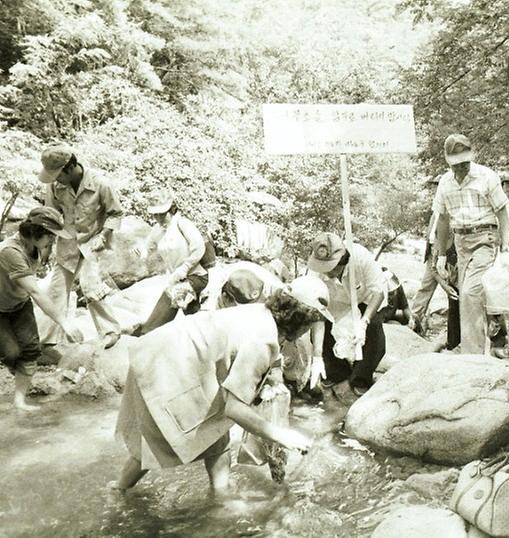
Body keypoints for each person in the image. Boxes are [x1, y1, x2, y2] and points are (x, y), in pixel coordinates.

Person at [111, 276, 331, 494]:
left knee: (216, 432)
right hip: (165, 367)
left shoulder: (264, 313)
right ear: (299, 318)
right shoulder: (263, 340)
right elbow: (234, 409)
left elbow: (265, 360)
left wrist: (274, 381)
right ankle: (118, 489)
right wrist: (282, 435)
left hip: (172, 354)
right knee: (156, 440)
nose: (309, 329)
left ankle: (221, 494)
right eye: (311, 322)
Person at [38, 144, 124, 349]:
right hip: (67, 243)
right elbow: (49, 214)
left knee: (90, 286)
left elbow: (116, 213)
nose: (56, 179)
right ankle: (48, 342)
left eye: (58, 174)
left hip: (93, 242)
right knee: (56, 290)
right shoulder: (53, 187)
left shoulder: (101, 183)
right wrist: (46, 247)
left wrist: (104, 235)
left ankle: (110, 331)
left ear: (70, 167)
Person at [0, 207, 85, 410]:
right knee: (11, 352)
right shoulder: (10, 252)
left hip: (20, 304)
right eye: (51, 236)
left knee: (30, 351)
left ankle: (19, 402)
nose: (53, 241)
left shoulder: (35, 246)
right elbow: (36, 292)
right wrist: (64, 323)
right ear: (37, 232)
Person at [434, 134, 509, 354]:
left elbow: (502, 211)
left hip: (485, 237)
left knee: (470, 293)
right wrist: (440, 255)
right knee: (467, 295)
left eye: (464, 163)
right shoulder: (444, 183)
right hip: (460, 241)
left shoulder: (487, 176)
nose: (461, 168)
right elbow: (442, 218)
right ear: (448, 161)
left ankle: (472, 354)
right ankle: (488, 344)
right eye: (456, 164)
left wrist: (505, 245)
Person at [306, 232, 387, 400]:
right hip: (334, 303)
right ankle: (337, 372)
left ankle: (361, 378)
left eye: (331, 268)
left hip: (365, 298)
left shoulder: (361, 257)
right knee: (320, 331)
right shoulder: (314, 274)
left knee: (374, 333)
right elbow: (316, 312)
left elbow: (378, 291)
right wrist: (317, 356)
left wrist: (364, 322)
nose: (326, 272)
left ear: (341, 262)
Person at [133, 189, 208, 335]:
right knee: (194, 317)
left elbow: (199, 248)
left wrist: (185, 268)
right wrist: (140, 251)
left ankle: (147, 333)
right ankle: (205, 336)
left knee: (166, 307)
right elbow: (148, 249)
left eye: (162, 213)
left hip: (195, 276)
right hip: (177, 279)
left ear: (171, 209)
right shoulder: (157, 230)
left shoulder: (182, 224)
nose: (158, 218)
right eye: (155, 214)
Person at [410, 176, 452, 334]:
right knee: (426, 285)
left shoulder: (449, 205)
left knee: (451, 286)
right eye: (433, 187)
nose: (434, 190)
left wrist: (444, 253)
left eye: (437, 186)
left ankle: (454, 326)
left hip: (447, 252)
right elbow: (431, 233)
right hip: (433, 250)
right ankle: (415, 319)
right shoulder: (435, 209)